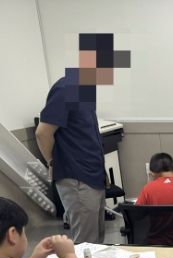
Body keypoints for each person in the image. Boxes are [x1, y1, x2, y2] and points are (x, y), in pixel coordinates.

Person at [35, 34, 130, 244]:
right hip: (77, 177)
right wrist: (52, 162)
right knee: (86, 243)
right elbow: (42, 132)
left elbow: (85, 134)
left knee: (97, 241)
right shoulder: (67, 87)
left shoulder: (85, 89)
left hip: (92, 174)